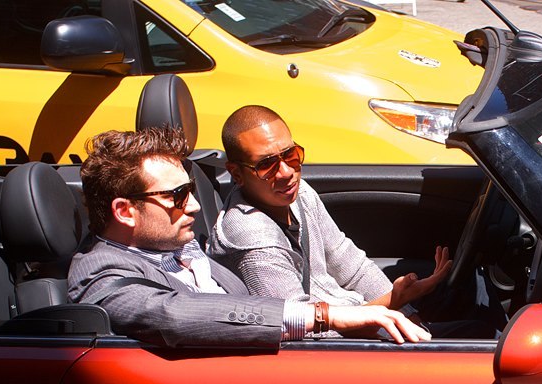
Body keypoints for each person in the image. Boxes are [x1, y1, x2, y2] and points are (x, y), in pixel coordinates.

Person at [67, 126, 430, 349]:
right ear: (124, 211)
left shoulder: (171, 243)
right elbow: (174, 314)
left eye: (190, 191)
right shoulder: (103, 279)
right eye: (176, 197)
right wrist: (326, 316)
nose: (193, 206)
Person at [207, 105, 455, 328]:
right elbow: (303, 335)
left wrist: (411, 317)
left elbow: (353, 267)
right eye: (266, 165)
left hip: (364, 319)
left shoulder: (301, 193)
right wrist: (392, 302)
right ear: (237, 174)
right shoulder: (251, 241)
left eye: (290, 155)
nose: (285, 172)